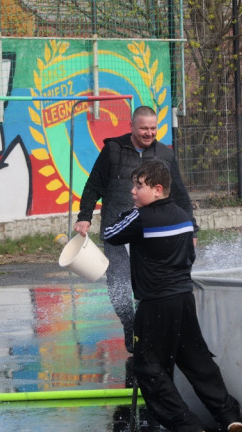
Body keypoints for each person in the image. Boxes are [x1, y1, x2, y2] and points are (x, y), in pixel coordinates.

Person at [102, 159, 242, 432]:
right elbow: (188, 256)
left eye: (138, 185)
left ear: (157, 189)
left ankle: (185, 424)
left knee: (147, 366)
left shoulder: (141, 218)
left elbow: (110, 235)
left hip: (155, 303)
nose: (133, 191)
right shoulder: (182, 216)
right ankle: (229, 416)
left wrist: (130, 212)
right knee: (196, 360)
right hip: (183, 298)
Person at [74, 106, 199, 353]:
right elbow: (93, 185)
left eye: (153, 128)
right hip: (118, 229)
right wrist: (84, 217)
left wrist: (192, 230)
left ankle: (147, 328)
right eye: (143, 128)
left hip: (150, 231)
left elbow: (180, 194)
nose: (149, 133)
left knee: (147, 281)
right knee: (118, 281)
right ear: (132, 126)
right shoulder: (113, 150)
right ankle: (130, 327)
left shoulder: (165, 154)